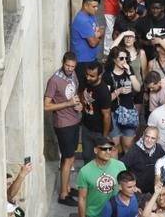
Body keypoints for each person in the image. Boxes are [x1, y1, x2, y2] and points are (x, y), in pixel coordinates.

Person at [45, 51, 83, 207]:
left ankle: (67, 187)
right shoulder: (54, 80)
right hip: (63, 124)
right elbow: (46, 106)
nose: (69, 69)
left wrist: (78, 104)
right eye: (67, 65)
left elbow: (74, 94)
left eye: (72, 66)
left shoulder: (73, 75)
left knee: (69, 157)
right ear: (63, 62)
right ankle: (63, 194)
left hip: (74, 119)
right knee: (67, 158)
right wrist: (67, 104)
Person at [76, 138, 126, 217]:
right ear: (96, 150)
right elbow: (82, 198)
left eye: (110, 149)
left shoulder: (120, 166)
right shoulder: (84, 171)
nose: (108, 152)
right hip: (93, 215)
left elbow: (125, 189)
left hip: (116, 214)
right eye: (104, 149)